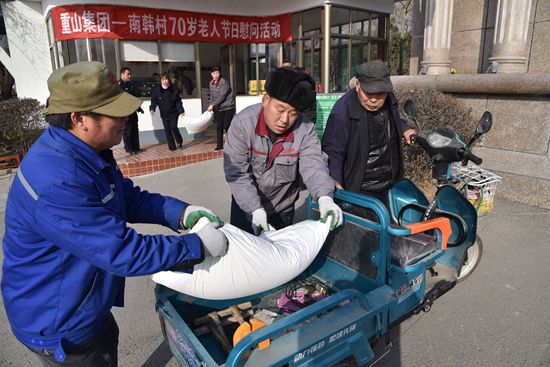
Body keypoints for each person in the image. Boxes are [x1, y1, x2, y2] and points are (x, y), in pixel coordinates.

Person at [1, 61, 228, 367]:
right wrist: (196, 246)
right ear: (79, 118)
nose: (126, 117)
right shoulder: (57, 180)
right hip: (60, 320)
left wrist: (180, 213)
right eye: (114, 110)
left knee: (106, 340)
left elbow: (124, 197)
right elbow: (121, 250)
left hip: (82, 298)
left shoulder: (86, 151)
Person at [224, 67, 343, 235]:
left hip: (282, 210)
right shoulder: (242, 124)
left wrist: (325, 197)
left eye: (293, 113)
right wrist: (254, 209)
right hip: (245, 208)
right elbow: (236, 173)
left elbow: (313, 164)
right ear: (266, 100)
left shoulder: (305, 129)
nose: (285, 119)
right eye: (280, 110)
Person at [322, 60, 415, 210]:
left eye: (380, 94)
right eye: (369, 93)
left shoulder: (389, 99)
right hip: (360, 189)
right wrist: (335, 180)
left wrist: (405, 128)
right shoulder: (342, 111)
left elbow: (395, 118)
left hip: (390, 185)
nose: (373, 100)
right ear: (358, 85)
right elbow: (333, 150)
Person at [149, 73, 185, 151]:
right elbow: (154, 100)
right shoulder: (157, 90)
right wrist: (152, 108)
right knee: (167, 130)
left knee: (173, 127)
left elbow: (178, 101)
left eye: (166, 79)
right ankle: (172, 147)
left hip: (174, 113)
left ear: (169, 79)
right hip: (164, 114)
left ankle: (179, 141)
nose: (165, 81)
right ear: (161, 80)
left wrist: (181, 110)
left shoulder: (174, 89)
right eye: (163, 80)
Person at [207, 67, 235, 151]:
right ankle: (219, 145)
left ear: (219, 73)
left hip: (228, 107)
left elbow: (222, 95)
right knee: (219, 126)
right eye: (214, 73)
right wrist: (211, 104)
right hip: (218, 108)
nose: (215, 75)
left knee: (227, 125)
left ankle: (233, 143)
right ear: (211, 74)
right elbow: (212, 96)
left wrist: (213, 104)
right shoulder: (211, 83)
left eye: (217, 73)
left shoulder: (224, 82)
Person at [118, 66, 144, 155]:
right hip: (125, 113)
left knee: (135, 130)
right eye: (127, 74)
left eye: (130, 74)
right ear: (122, 74)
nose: (129, 76)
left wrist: (139, 108)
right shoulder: (119, 86)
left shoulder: (131, 85)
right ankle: (129, 149)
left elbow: (135, 98)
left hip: (133, 112)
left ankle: (136, 147)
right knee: (127, 131)